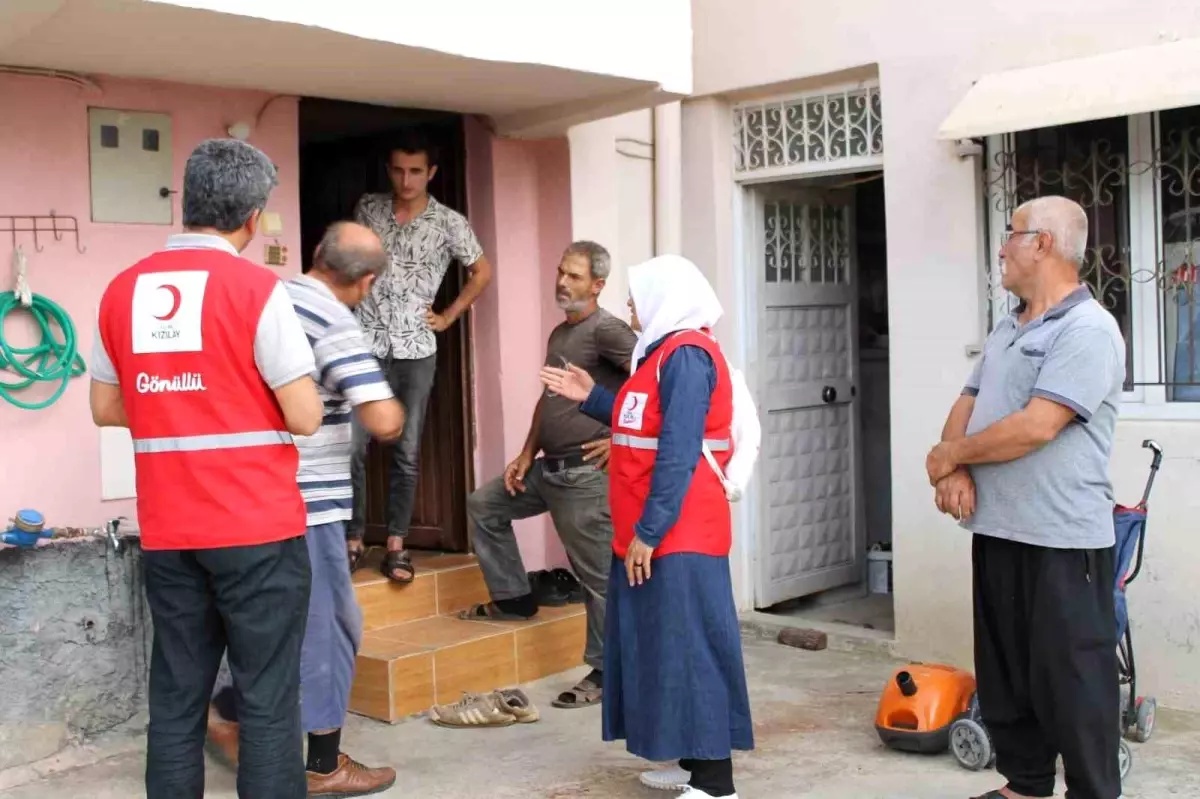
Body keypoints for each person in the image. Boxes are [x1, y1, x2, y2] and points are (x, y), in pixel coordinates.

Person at [90, 138, 323, 799]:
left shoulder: (123, 289)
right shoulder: (256, 288)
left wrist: (180, 410)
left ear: (186, 202)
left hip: (169, 531)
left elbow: (105, 405)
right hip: (257, 529)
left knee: (175, 701)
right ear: (253, 217)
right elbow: (304, 415)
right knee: (269, 701)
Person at [926, 196, 1125, 799]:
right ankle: (1026, 785)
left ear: (1042, 244)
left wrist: (952, 456)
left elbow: (1038, 426)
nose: (1001, 248)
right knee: (1007, 673)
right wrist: (951, 472)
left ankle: (1093, 792)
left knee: (1074, 682)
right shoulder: (1008, 325)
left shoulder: (1089, 330)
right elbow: (969, 398)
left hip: (1062, 541)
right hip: (999, 530)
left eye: (1010, 235)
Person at [540, 255, 754, 799]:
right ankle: (690, 762)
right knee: (665, 646)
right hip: (659, 528)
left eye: (637, 294)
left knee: (691, 647)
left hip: (682, 532)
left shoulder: (685, 356)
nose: (630, 305)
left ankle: (714, 782)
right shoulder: (657, 355)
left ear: (665, 296)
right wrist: (590, 396)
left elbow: (680, 451)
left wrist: (651, 533)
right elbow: (643, 425)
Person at [206, 222, 406, 796]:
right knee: (330, 626)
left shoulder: (268, 298)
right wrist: (385, 397)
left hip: (248, 493)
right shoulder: (332, 321)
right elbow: (383, 419)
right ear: (365, 282)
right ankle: (321, 763)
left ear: (316, 255)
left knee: (279, 622)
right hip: (308, 501)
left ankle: (233, 711)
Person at [454, 241, 635, 715]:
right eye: (560, 272)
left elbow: (652, 384)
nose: (562, 282)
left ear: (597, 285)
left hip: (583, 475)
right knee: (485, 505)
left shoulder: (609, 330)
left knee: (597, 577)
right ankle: (514, 598)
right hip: (545, 468)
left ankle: (606, 669)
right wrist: (525, 452)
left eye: (574, 276)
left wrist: (620, 437)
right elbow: (548, 399)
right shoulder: (561, 334)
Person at [349, 128, 492, 584]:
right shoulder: (369, 208)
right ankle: (354, 538)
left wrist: (449, 316)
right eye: (398, 169)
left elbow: (481, 270)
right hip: (366, 343)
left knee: (406, 450)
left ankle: (396, 543)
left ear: (430, 172)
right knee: (352, 446)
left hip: (416, 349)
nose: (406, 180)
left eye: (415, 171)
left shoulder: (450, 222)